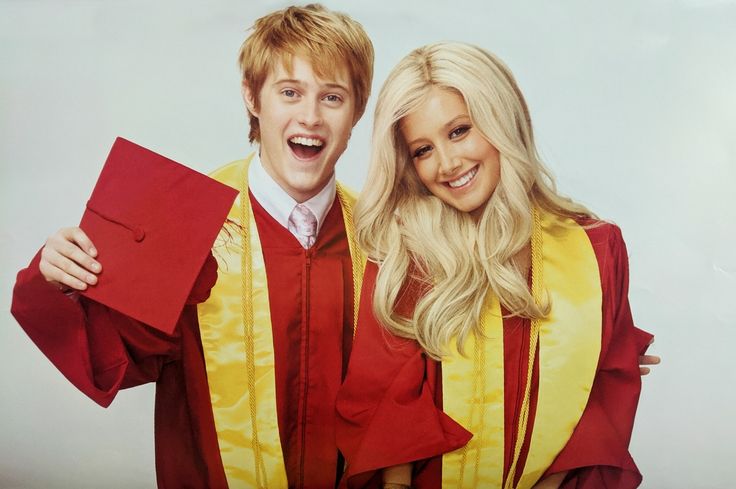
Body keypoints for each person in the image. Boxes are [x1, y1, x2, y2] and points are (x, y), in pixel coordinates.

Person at [11, 4, 373, 488]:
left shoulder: (381, 237)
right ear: (252, 97)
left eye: (333, 97)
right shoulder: (186, 226)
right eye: (290, 92)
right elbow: (110, 356)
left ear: (357, 110)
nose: (310, 116)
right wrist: (61, 281)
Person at [335, 42, 654, 489]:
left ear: (501, 119)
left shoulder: (594, 248)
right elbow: (388, 398)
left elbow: (598, 397)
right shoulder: (408, 250)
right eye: (422, 150)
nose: (448, 164)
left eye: (460, 131)